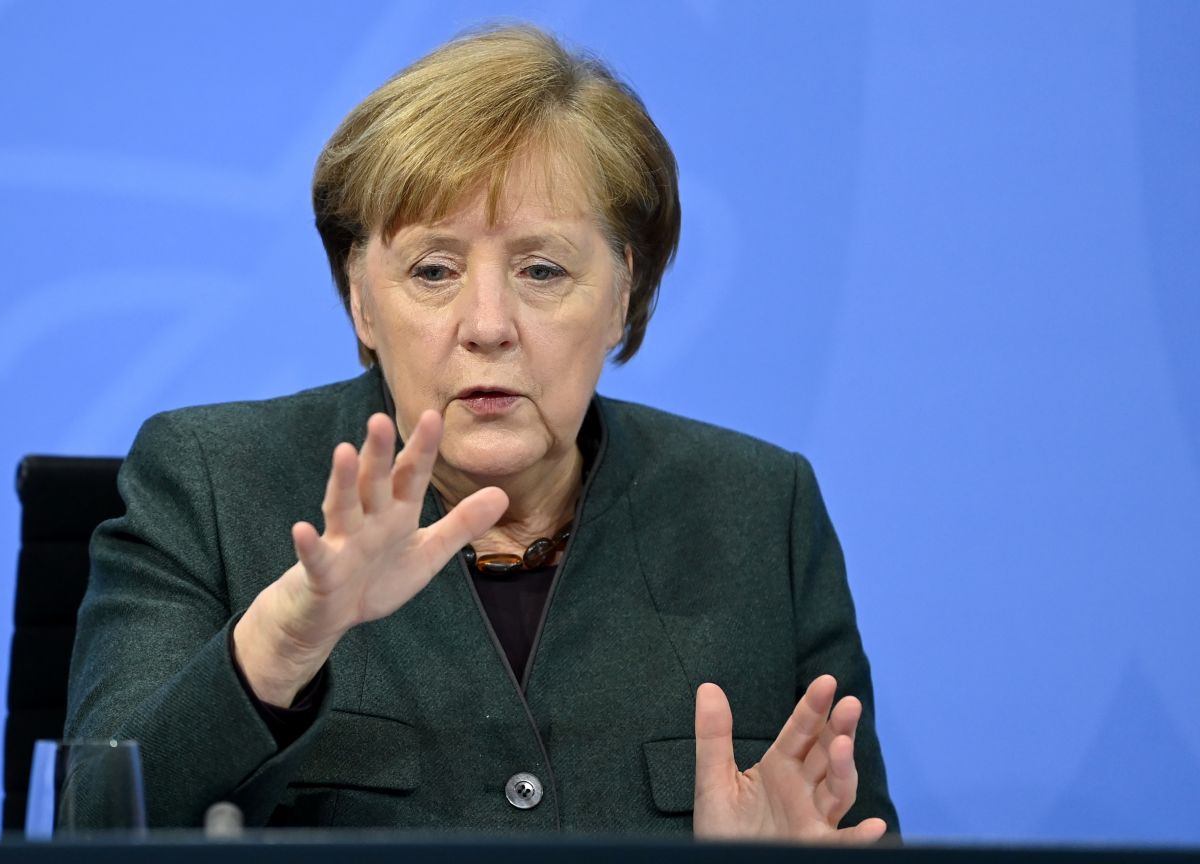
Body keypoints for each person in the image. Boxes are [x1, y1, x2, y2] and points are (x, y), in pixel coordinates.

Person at [65, 25, 898, 840]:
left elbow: (856, 830)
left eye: (543, 269)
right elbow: (89, 827)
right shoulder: (210, 486)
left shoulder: (758, 511)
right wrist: (283, 644)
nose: (488, 324)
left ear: (621, 296)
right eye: (434, 270)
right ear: (360, 298)